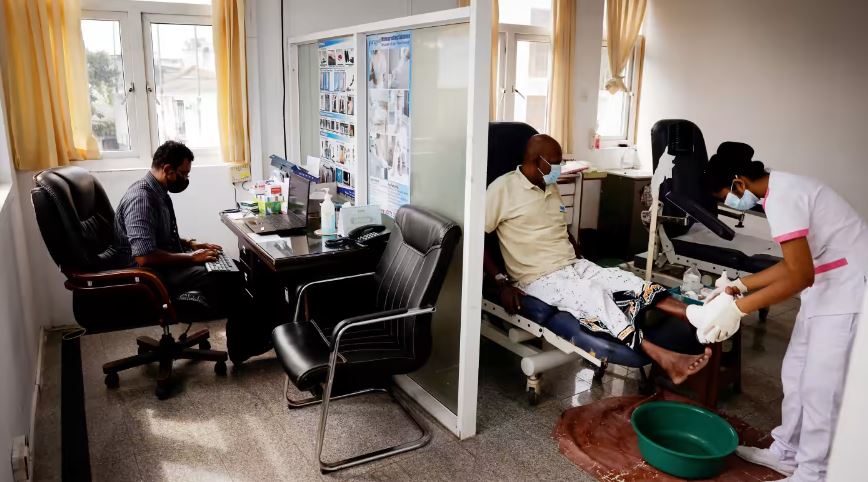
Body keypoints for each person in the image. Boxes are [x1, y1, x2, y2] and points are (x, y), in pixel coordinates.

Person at [696, 151, 868, 482]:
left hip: (848, 292)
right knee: (795, 372)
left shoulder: (783, 197)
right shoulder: (781, 189)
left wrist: (737, 309)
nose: (733, 203)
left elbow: (799, 275)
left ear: (738, 183)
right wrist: (739, 286)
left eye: (728, 197)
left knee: (821, 388)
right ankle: (787, 452)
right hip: (826, 286)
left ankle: (813, 473)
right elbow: (791, 265)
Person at [485, 134, 711, 385]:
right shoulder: (502, 189)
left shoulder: (550, 187)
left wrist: (580, 256)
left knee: (625, 279)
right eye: (556, 163)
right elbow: (477, 238)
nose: (560, 168)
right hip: (536, 278)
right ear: (536, 160)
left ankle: (694, 314)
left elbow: (560, 228)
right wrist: (501, 282)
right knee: (592, 295)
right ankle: (665, 358)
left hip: (573, 265)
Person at [114, 141, 263, 362]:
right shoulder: (142, 199)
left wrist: (191, 245)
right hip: (150, 277)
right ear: (167, 169)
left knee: (233, 265)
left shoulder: (157, 191)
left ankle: (250, 338)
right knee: (232, 276)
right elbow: (144, 256)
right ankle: (243, 346)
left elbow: (159, 239)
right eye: (183, 174)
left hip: (159, 269)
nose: (186, 180)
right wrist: (191, 258)